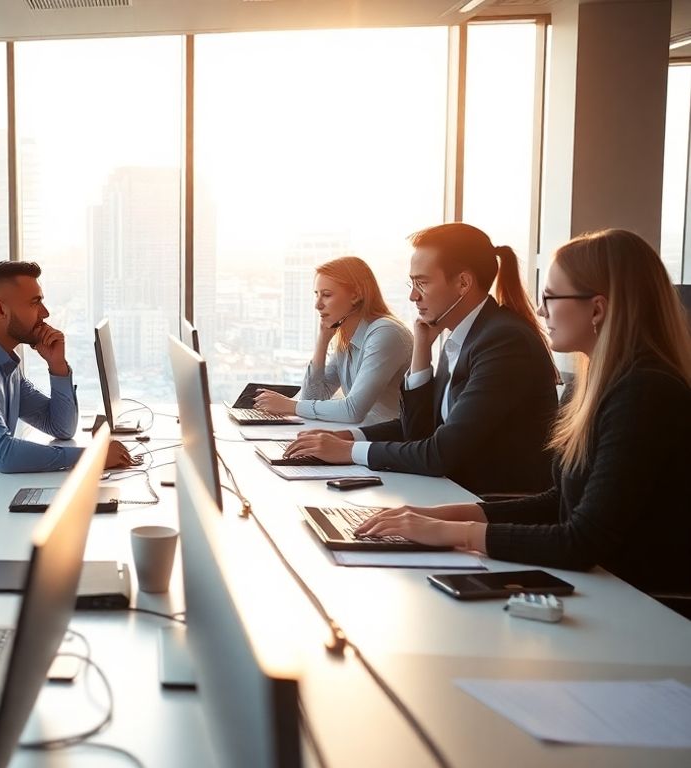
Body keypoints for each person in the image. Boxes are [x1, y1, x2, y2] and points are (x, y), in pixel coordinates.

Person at [356, 229, 691, 599]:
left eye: (549, 297)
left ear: (597, 309)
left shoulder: (645, 392)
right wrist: (444, 515)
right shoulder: (589, 386)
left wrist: (455, 533)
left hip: (643, 604)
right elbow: (558, 502)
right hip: (603, 587)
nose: (541, 310)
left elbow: (583, 540)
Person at [284, 223, 558, 496]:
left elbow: (439, 453)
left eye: (422, 283)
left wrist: (349, 451)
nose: (413, 295)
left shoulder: (504, 341)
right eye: (412, 283)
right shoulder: (464, 337)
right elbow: (420, 431)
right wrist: (350, 436)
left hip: (488, 501)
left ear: (463, 283)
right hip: (453, 492)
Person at [0, 261, 137, 553]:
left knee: (78, 528)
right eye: (35, 302)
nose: (45, 313)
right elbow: (4, 454)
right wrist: (92, 458)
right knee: (68, 543)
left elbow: (60, 426)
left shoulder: (3, 361)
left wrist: (57, 366)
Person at [254, 256, 411, 423]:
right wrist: (322, 341)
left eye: (327, 295)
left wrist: (290, 406)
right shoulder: (347, 340)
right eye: (317, 295)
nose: (318, 305)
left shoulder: (385, 333)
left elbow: (353, 410)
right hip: (363, 433)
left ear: (356, 295)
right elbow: (312, 398)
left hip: (391, 437)